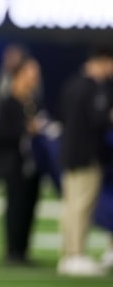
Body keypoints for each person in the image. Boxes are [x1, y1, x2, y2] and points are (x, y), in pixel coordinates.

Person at [57, 46, 113, 276]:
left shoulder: (71, 84)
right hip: (86, 155)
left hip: (69, 152)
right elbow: (98, 120)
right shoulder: (92, 89)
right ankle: (75, 255)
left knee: (71, 206)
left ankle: (71, 254)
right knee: (81, 207)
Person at [0, 56, 44, 266]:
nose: (34, 79)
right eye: (31, 74)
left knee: (30, 207)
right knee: (15, 207)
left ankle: (23, 251)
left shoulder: (32, 101)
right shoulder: (7, 101)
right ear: (19, 75)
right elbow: (1, 134)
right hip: (14, 163)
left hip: (32, 163)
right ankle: (12, 251)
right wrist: (26, 129)